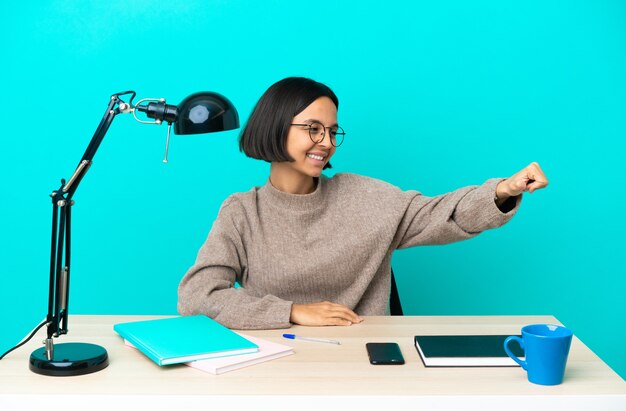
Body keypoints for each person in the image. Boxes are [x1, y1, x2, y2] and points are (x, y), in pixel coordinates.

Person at [177, 77, 549, 330]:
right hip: (274, 363)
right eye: (312, 128)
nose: (326, 142)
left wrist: (502, 190)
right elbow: (197, 295)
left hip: (363, 359)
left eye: (332, 131)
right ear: (275, 127)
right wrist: (292, 312)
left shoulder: (364, 196)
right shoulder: (242, 212)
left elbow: (440, 215)